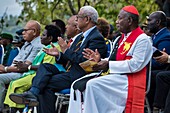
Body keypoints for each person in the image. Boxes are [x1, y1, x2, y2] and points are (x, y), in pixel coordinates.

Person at [10, 6, 107, 113]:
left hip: (81, 75)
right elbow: (69, 58)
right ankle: (33, 93)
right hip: (69, 72)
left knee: (43, 83)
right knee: (45, 67)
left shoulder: (96, 38)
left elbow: (85, 61)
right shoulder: (80, 37)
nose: (76, 20)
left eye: (78, 17)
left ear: (87, 19)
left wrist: (66, 50)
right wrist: (58, 55)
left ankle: (33, 94)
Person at [68, 5, 153, 113]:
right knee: (76, 85)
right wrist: (99, 60)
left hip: (129, 79)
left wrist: (108, 65)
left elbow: (135, 64)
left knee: (92, 85)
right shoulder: (121, 38)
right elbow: (114, 58)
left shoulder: (143, 39)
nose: (117, 21)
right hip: (116, 75)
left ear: (130, 20)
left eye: (119, 18)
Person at [3, 24, 62, 113]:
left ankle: (18, 110)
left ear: (50, 38)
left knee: (16, 85)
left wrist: (27, 67)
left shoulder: (54, 48)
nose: (41, 37)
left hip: (40, 75)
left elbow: (47, 66)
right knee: (14, 83)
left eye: (43, 35)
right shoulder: (46, 47)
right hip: (33, 72)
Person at [0, 20, 43, 112]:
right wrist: (4, 69)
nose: (23, 32)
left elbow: (24, 67)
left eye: (26, 30)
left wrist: (6, 69)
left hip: (26, 74)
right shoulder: (27, 43)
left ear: (34, 32)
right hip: (16, 70)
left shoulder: (37, 46)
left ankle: (1, 108)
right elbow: (16, 62)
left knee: (0, 79)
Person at [146, 11, 170, 110]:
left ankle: (155, 107)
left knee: (149, 74)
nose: (147, 23)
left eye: (149, 20)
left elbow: (160, 61)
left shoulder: (166, 36)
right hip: (157, 70)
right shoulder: (154, 36)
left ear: (158, 22)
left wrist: (142, 65)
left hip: (163, 69)